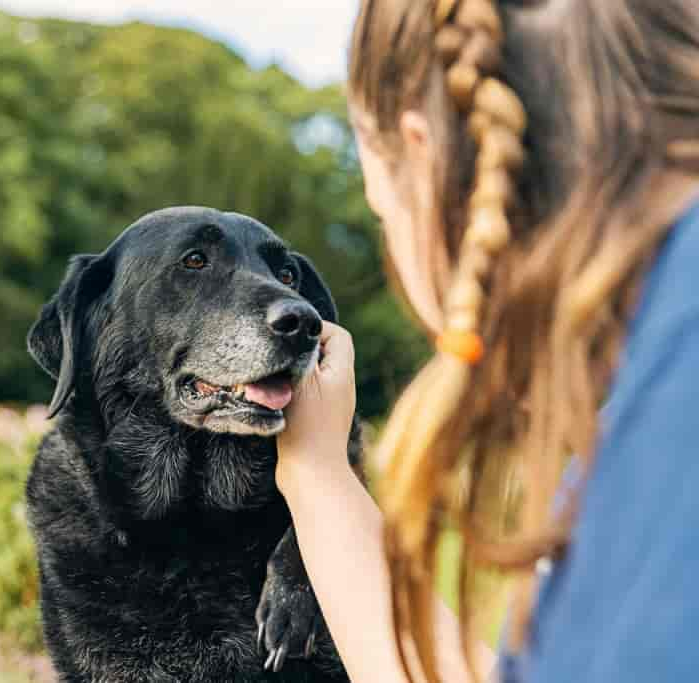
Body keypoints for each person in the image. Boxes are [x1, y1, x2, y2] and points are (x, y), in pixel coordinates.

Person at [275, 1, 699, 682]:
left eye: (382, 208)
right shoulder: (653, 381)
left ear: (422, 152)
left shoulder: (666, 444)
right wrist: (317, 474)